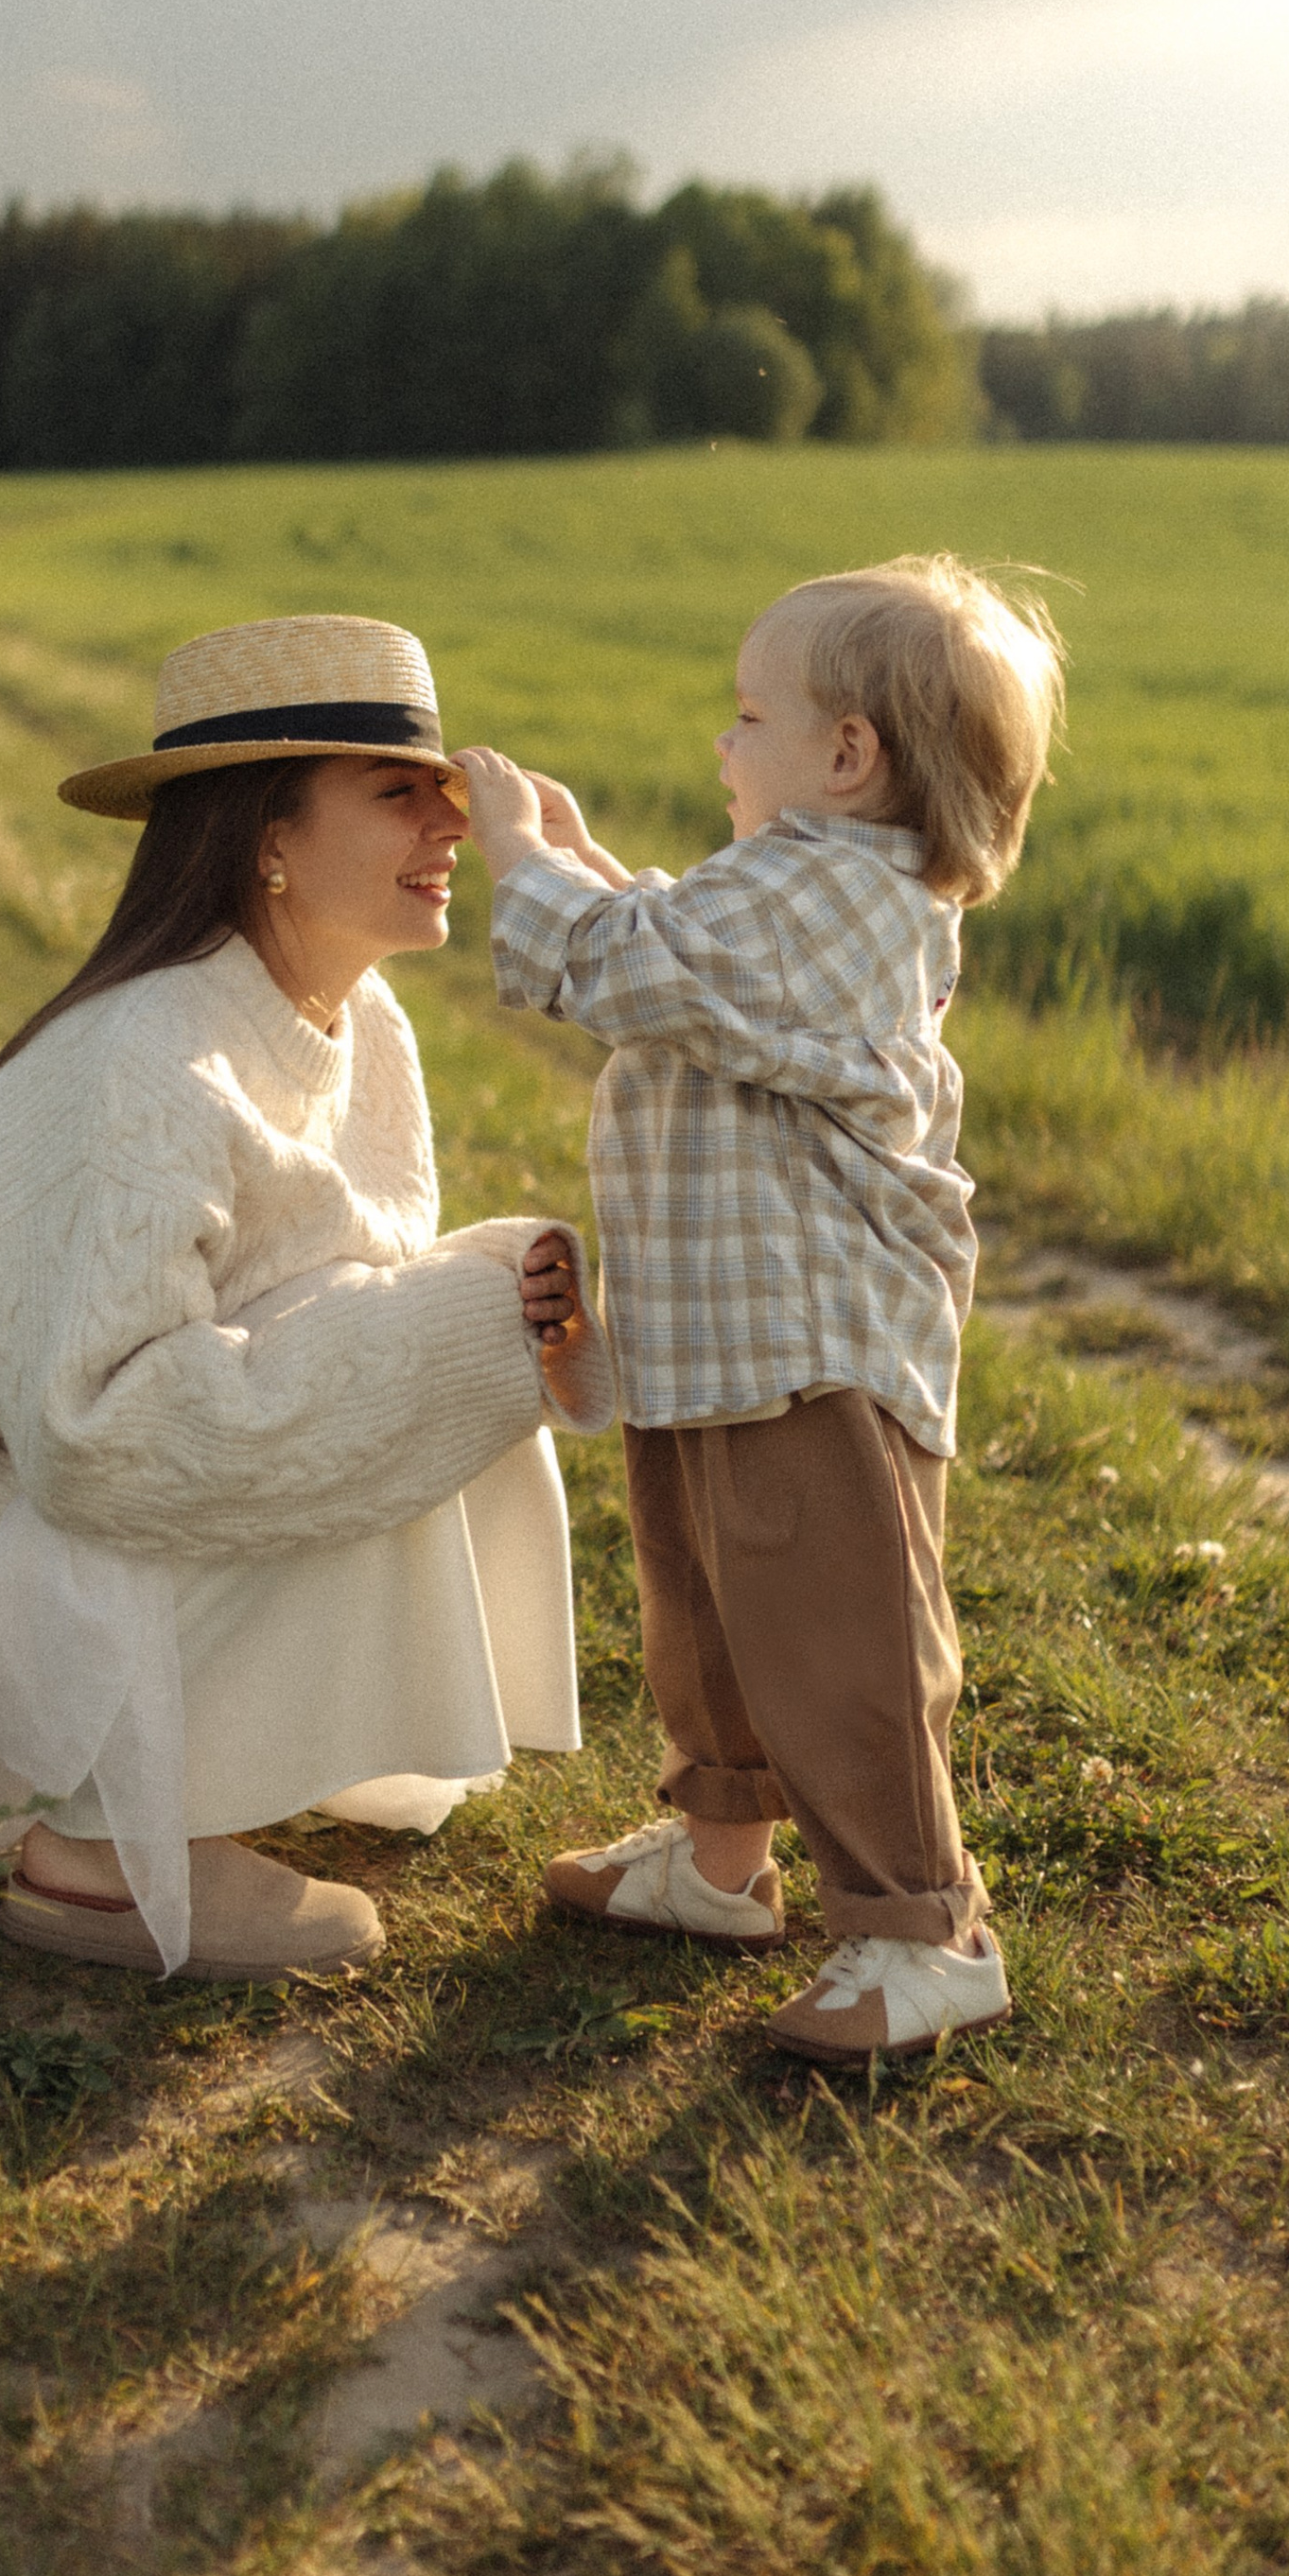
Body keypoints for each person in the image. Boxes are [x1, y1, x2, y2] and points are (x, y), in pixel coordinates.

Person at [0, 614, 612, 1984]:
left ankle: (233, 1747)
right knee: (432, 1337)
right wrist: (460, 1332)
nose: (450, 826)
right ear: (265, 840)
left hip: (46, 1515)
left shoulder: (365, 1025)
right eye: (399, 793)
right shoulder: (150, 1054)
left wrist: (472, 1303)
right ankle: (101, 1858)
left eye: (447, 792)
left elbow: (328, 1298)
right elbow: (99, 1435)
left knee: (433, 1317)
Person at [453, 556, 1065, 2063]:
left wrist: (526, 865)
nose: (721, 748)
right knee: (710, 1624)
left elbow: (644, 971)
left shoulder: (841, 889)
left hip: (815, 1361)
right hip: (723, 1344)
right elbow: (691, 967)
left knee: (842, 1651)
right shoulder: (802, 892)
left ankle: (925, 1932)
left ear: (848, 754)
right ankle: (722, 1863)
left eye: (748, 718)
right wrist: (597, 877)